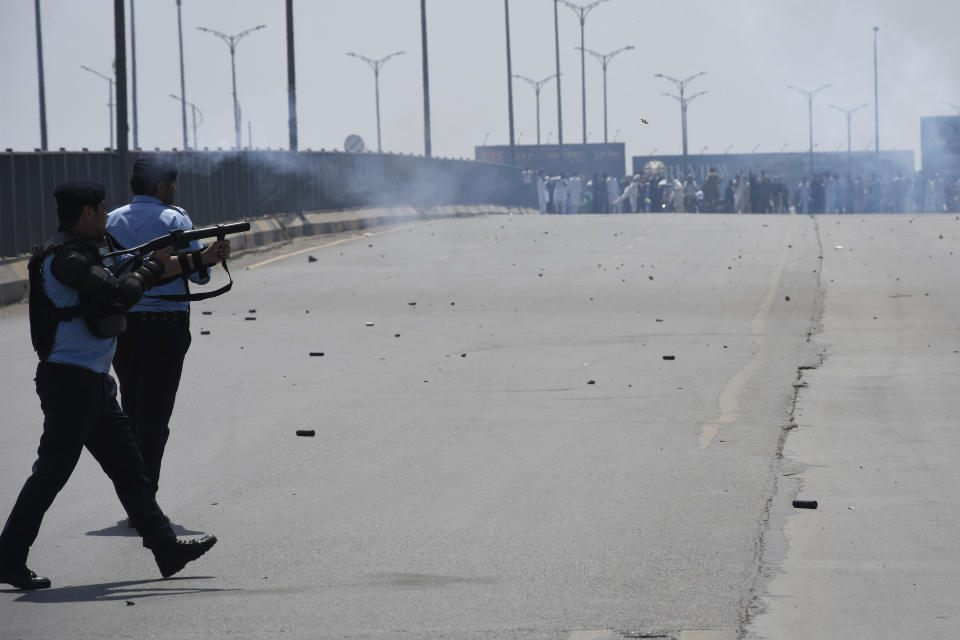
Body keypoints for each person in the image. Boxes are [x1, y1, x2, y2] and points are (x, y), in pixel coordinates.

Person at [0, 181, 220, 590]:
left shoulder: (88, 252)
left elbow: (142, 275)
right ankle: (8, 557)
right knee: (51, 474)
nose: (106, 216)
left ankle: (165, 548)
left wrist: (199, 259)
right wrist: (153, 266)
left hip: (93, 381)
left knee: (130, 470)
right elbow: (119, 293)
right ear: (86, 213)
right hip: (69, 381)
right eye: (101, 210)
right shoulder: (66, 258)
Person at [107, 158, 231, 510]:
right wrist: (210, 258)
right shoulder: (175, 219)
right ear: (162, 187)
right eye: (171, 186)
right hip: (166, 327)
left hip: (124, 327)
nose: (173, 191)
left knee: (131, 409)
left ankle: (132, 496)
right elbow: (199, 276)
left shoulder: (111, 219)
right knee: (155, 416)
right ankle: (144, 499)